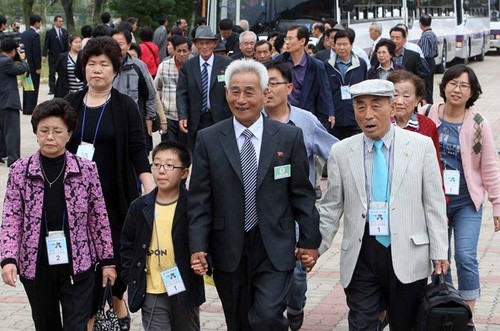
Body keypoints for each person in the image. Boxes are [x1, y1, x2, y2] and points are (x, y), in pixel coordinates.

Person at [189, 59, 321, 330]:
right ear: (226, 94)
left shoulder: (288, 137)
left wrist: (309, 240)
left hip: (275, 244)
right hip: (228, 246)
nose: (241, 99)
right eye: (234, 91)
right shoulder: (209, 138)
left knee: (266, 316)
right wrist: (198, 246)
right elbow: (200, 199)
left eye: (249, 92)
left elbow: (301, 195)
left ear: (264, 93)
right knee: (238, 322)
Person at [319, 79, 449, 330]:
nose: (367, 115)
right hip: (362, 252)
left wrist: (439, 251)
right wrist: (314, 248)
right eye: (360, 107)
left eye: (376, 106)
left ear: (392, 108)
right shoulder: (342, 151)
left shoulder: (420, 146)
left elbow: (433, 203)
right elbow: (331, 206)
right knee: (362, 323)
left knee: (405, 323)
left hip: (408, 251)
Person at [0, 98, 116, 330]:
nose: (49, 137)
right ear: (35, 132)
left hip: (79, 266)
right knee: (45, 325)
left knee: (76, 325)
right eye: (44, 131)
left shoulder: (86, 170)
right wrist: (8, 259)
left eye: (57, 131)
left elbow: (99, 218)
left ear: (69, 133)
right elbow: (11, 218)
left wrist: (107, 261)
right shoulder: (20, 171)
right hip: (36, 265)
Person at [64, 36, 155, 330]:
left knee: (115, 255)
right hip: (76, 198)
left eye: (104, 64)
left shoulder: (126, 106)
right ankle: (90, 318)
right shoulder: (70, 103)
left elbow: (138, 152)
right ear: (84, 68)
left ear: (115, 69)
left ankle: (117, 300)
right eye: (91, 64)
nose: (97, 70)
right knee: (83, 261)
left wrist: (151, 190)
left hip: (115, 196)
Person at [424, 64, 500, 329]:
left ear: (472, 92)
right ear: (444, 86)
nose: (457, 89)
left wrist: (497, 204)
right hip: (434, 201)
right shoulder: (427, 113)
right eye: (453, 83)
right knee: (439, 257)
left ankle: (466, 316)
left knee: (465, 256)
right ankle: (447, 310)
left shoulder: (478, 124)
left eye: (464, 85)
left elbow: (489, 164)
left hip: (467, 200)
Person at [263, 60, 337, 330]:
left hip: (296, 210)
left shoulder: (305, 121)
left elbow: (335, 152)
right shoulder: (252, 121)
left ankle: (296, 307)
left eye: (273, 83)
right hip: (263, 211)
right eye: (264, 83)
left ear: (289, 87)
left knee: (296, 272)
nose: (267, 89)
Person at [121, 141, 205, 330]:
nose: (161, 170)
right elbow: (127, 243)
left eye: (169, 165)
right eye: (157, 164)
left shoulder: (193, 205)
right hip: (151, 287)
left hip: (184, 287)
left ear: (185, 173)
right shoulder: (139, 206)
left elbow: (205, 240)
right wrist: (130, 274)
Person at [176, 25, 233, 152]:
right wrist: (182, 115)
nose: (205, 47)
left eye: (208, 43)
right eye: (201, 43)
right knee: (198, 155)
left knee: (220, 154)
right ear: (195, 45)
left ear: (214, 44)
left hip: (220, 117)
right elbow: (181, 93)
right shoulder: (188, 66)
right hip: (196, 118)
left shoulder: (226, 63)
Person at [276, 25, 334, 129]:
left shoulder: (316, 65)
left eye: (290, 38)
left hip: (306, 115)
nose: (287, 42)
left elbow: (324, 92)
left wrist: (329, 113)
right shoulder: (279, 62)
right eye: (286, 38)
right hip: (282, 116)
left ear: (302, 41)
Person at [111, 28, 157, 152]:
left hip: (134, 121)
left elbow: (150, 95)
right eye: (113, 43)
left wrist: (149, 118)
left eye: (120, 44)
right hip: (110, 121)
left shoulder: (138, 66)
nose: (116, 47)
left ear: (128, 45)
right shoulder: (105, 65)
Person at [325, 29, 368, 140]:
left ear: (351, 45)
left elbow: (364, 90)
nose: (341, 48)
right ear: (334, 45)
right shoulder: (328, 65)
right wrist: (330, 113)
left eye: (345, 44)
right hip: (336, 116)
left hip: (355, 114)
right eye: (338, 44)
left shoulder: (361, 64)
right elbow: (326, 92)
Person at [154, 36, 191, 144]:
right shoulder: (164, 66)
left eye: (185, 51)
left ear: (189, 51)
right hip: (168, 115)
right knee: (169, 149)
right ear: (174, 50)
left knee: (185, 152)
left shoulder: (193, 66)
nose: (181, 54)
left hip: (187, 117)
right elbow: (156, 88)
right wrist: (160, 115)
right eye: (178, 51)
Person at [0, 38, 28, 167]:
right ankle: (13, 158)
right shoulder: (6, 62)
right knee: (12, 132)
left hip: (2, 102)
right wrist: (22, 59)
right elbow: (22, 69)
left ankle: (2, 153)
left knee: (2, 131)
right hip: (7, 102)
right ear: (12, 51)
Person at [20, 14, 42, 115]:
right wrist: (38, 67)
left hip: (25, 63)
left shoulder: (23, 34)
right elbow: (36, 52)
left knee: (26, 86)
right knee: (33, 87)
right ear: (37, 23)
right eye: (40, 22)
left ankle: (26, 108)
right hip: (33, 66)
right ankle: (32, 108)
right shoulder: (35, 35)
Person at [43, 16, 68, 95]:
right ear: (55, 22)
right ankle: (52, 88)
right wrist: (44, 55)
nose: (61, 23)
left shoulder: (64, 32)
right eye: (59, 21)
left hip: (63, 56)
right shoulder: (50, 32)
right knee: (52, 72)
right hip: (53, 56)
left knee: (62, 72)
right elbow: (46, 44)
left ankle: (61, 87)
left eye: (62, 21)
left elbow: (67, 44)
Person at [418, 14, 438, 103]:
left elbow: (424, 53)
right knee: (430, 86)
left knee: (426, 87)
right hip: (432, 61)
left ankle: (427, 106)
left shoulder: (425, 36)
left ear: (421, 24)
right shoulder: (433, 34)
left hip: (426, 63)